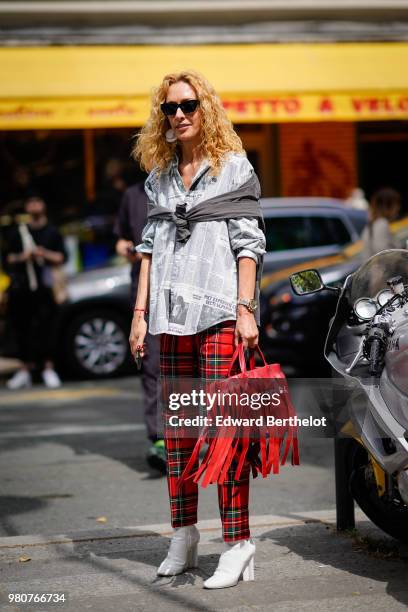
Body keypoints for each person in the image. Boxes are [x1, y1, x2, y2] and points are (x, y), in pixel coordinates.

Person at [129, 70, 266, 589]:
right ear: (161, 117)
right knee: (179, 434)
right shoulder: (159, 178)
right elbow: (148, 250)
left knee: (227, 433)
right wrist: (139, 315)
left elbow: (249, 243)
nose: (179, 114)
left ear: (205, 109)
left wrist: (246, 308)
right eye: (170, 108)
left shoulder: (232, 168)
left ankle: (238, 543)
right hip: (170, 318)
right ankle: (184, 534)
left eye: (188, 105)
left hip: (220, 314)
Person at [114, 183, 164, 473]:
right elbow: (120, 240)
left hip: (183, 287)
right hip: (144, 289)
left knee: (188, 362)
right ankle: (159, 439)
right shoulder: (133, 194)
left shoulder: (186, 181)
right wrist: (129, 249)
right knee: (151, 364)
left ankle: (190, 437)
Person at [5, 195, 66, 389]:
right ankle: (25, 370)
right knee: (22, 329)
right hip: (22, 289)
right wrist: (24, 257)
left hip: (46, 289)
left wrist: (42, 253)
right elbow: (8, 259)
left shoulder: (52, 232)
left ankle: (48, 368)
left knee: (47, 329)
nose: (34, 206)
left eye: (37, 202)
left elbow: (62, 257)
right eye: (30, 203)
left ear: (44, 205)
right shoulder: (18, 233)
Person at [361, 187, 401, 260]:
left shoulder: (373, 223)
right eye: (396, 204)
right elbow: (383, 254)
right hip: (382, 271)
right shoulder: (382, 224)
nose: (398, 208)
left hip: (374, 270)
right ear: (387, 206)